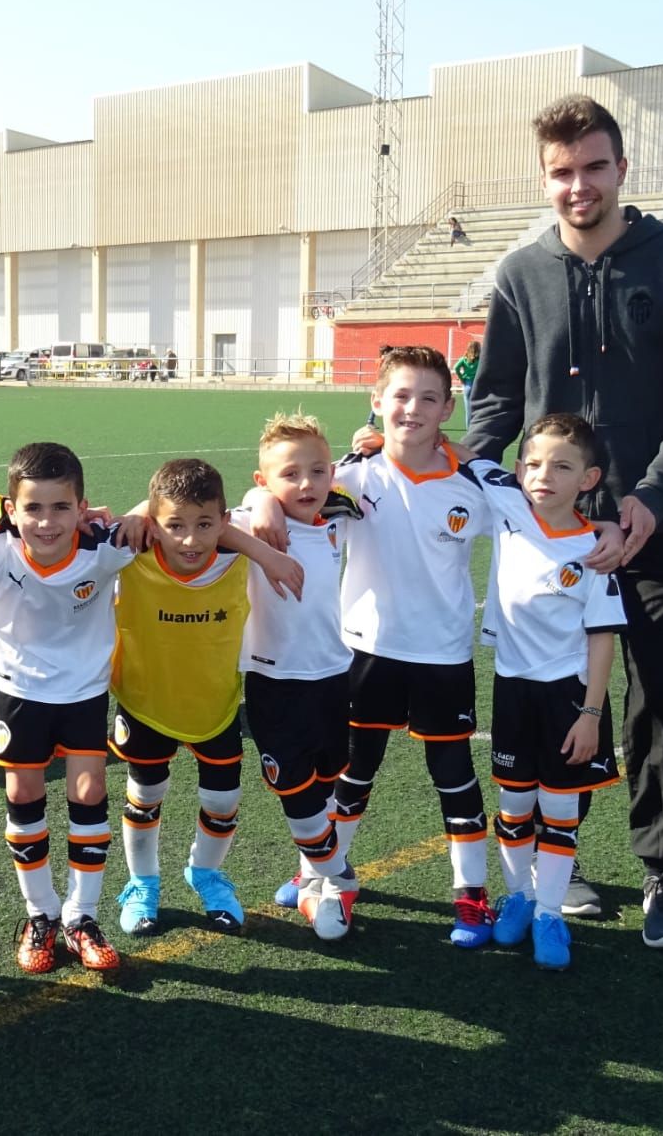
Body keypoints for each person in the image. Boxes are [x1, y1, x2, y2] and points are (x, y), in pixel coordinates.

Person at [465, 95, 663, 949]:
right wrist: (435, 467)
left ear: (621, 169)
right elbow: (495, 400)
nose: (579, 186)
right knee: (549, 701)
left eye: (594, 167)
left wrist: (644, 504)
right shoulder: (518, 273)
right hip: (549, 543)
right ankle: (555, 866)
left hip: (660, 533)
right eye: (562, 172)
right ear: (547, 177)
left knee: (661, 705)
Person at [251, 347, 498, 947]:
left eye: (429, 398)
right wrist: (260, 503)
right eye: (401, 395)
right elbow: (277, 490)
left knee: (454, 774)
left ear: (447, 407)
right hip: (365, 652)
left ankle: (470, 895)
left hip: (442, 655)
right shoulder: (349, 475)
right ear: (377, 402)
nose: (412, 409)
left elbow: (544, 508)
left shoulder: (480, 481)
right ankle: (321, 875)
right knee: (352, 771)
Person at [0, 443, 139, 974]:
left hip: (84, 690)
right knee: (23, 790)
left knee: (90, 790)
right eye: (32, 508)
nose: (47, 521)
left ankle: (82, 917)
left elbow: (165, 521)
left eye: (61, 507)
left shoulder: (107, 547)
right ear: (12, 510)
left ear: (84, 507)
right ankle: (41, 914)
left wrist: (133, 516)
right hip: (19, 691)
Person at [110, 459, 303, 938]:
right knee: (145, 794)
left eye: (204, 525)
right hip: (145, 701)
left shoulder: (237, 558)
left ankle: (206, 874)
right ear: (154, 524)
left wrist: (263, 550)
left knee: (223, 799)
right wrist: (138, 513)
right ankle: (142, 883)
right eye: (174, 526)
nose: (191, 540)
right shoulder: (131, 553)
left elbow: (256, 505)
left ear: (223, 522)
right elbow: (75, 521)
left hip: (215, 705)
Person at [472, 413, 625, 970]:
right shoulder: (507, 503)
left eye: (562, 466)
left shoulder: (595, 552)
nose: (544, 475)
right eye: (533, 464)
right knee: (514, 806)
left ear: (588, 479)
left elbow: (602, 639)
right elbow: (456, 454)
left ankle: (551, 913)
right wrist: (381, 441)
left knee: (558, 810)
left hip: (569, 696)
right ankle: (519, 897)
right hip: (512, 687)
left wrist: (590, 713)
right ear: (518, 470)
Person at [233, 413, 363, 941]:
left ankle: (314, 877)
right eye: (290, 475)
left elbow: (372, 463)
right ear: (265, 480)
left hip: (334, 675)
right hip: (274, 683)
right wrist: (258, 503)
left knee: (327, 782)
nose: (306, 484)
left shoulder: (340, 511)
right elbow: (202, 518)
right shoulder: (249, 520)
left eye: (317, 470)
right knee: (296, 793)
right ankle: (341, 875)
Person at [455, 342, 480, 427]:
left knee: (468, 410)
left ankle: (469, 430)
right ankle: (478, 427)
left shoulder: (464, 359)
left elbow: (456, 368)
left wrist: (462, 378)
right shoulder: (480, 360)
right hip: (478, 385)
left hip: (468, 384)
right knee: (479, 408)